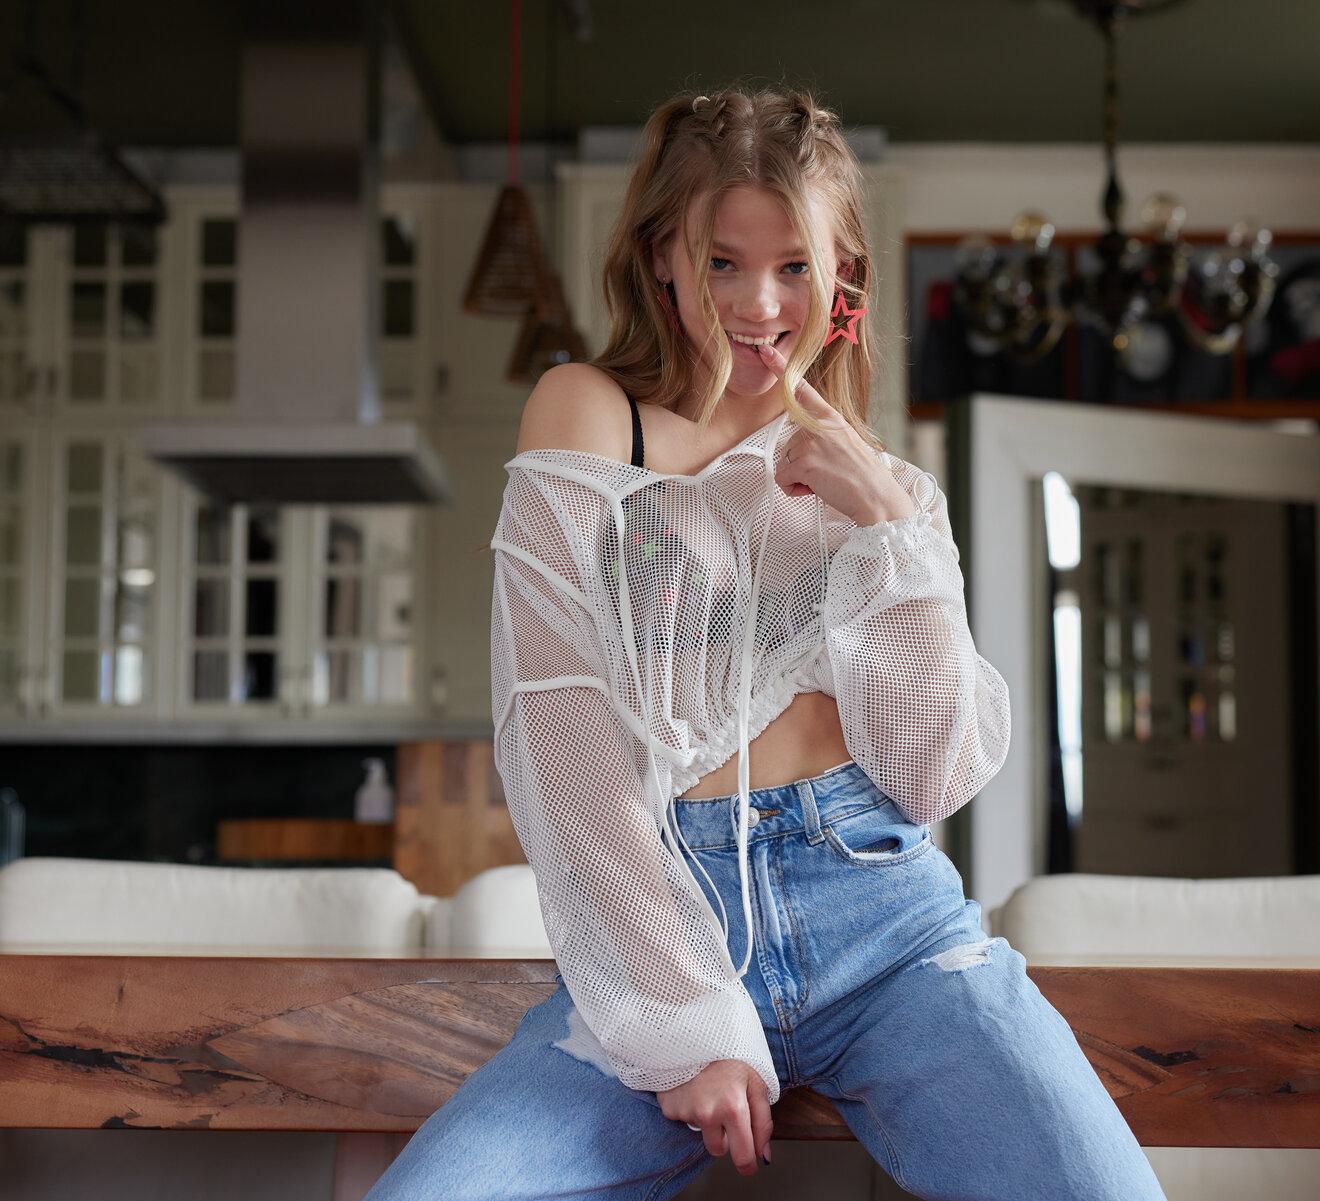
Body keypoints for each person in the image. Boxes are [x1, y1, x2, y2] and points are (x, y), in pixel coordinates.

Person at [362, 84, 1168, 1201]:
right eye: (721, 262)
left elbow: (932, 771)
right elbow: (559, 735)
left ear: (845, 277)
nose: (758, 302)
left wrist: (886, 526)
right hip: (666, 919)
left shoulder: (889, 488)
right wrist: (687, 1017)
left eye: (794, 265)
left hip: (889, 927)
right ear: (660, 259)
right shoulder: (590, 413)